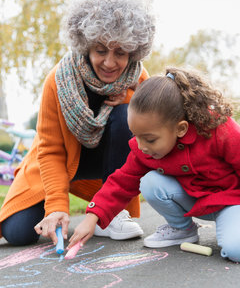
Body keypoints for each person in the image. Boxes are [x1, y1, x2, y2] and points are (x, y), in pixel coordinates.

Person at [0, 0, 156, 246]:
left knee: (126, 114)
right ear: (86, 46)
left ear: (133, 51)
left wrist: (130, 99)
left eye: (120, 52)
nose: (109, 62)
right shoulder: (58, 80)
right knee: (18, 233)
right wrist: (57, 207)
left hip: (107, 163)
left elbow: (154, 126)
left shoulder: (139, 80)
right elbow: (49, 150)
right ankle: (55, 209)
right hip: (61, 161)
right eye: (100, 50)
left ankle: (113, 214)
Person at [68, 67, 240, 263]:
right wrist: (92, 218)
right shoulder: (144, 149)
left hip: (230, 202)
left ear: (181, 128)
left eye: (149, 139)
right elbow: (121, 183)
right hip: (193, 200)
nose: (142, 146)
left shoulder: (217, 128)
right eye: (136, 136)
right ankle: (182, 229)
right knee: (151, 182)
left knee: (235, 251)